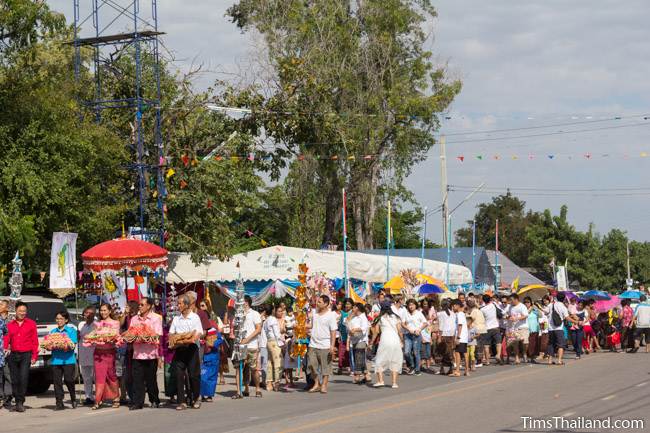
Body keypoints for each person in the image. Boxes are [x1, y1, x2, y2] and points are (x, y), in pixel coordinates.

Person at [169, 294, 204, 410]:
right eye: (177, 303)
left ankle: (196, 398)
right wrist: (178, 338)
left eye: (180, 303)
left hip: (192, 349)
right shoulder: (176, 318)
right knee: (179, 375)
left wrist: (188, 338)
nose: (178, 306)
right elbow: (171, 334)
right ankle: (181, 401)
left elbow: (198, 333)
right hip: (179, 349)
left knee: (194, 375)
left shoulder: (195, 317)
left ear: (187, 305)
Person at [128, 297, 163, 410]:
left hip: (150, 354)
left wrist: (146, 337)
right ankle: (138, 402)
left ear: (149, 306)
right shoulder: (134, 319)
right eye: (139, 304)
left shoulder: (156, 318)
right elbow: (130, 333)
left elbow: (157, 335)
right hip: (137, 354)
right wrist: (131, 337)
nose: (140, 306)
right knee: (137, 379)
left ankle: (154, 400)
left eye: (142, 305)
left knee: (151, 379)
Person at [3, 301, 38, 412]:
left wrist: (34, 356)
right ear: (16, 311)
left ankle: (20, 402)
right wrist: (4, 349)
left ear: (26, 312)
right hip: (13, 355)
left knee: (23, 378)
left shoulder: (31, 324)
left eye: (24, 311)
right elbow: (6, 339)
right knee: (14, 379)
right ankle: (17, 399)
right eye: (20, 311)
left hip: (26, 354)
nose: (22, 313)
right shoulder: (9, 325)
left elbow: (35, 341)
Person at [306, 295, 338, 394]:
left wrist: (332, 346)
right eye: (317, 301)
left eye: (319, 302)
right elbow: (312, 325)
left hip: (325, 345)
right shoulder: (314, 313)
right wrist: (301, 326)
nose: (317, 303)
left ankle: (324, 385)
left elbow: (333, 331)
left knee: (325, 367)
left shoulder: (331, 315)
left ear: (326, 304)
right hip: (313, 344)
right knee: (311, 365)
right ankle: (317, 383)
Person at [92, 303, 121, 410]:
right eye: (101, 310)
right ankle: (97, 400)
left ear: (109, 311)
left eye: (105, 310)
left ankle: (116, 397)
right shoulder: (97, 323)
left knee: (111, 375)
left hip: (109, 353)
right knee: (99, 377)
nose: (103, 312)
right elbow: (93, 336)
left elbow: (115, 336)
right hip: (98, 353)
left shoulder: (115, 323)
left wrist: (108, 337)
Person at [233, 295, 262, 399]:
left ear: (247, 303)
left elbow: (258, 329)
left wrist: (247, 339)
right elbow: (234, 329)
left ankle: (258, 388)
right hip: (240, 346)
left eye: (242, 302)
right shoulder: (238, 314)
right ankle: (239, 390)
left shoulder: (255, 314)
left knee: (253, 369)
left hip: (251, 345)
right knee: (239, 369)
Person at [370, 301, 403, 388]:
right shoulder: (396, 317)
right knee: (395, 361)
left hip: (385, 340)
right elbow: (400, 331)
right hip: (395, 340)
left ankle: (381, 381)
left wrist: (371, 342)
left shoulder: (379, 318)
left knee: (379, 360)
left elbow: (376, 332)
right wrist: (402, 340)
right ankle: (394, 383)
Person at [49, 311, 78, 410]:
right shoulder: (53, 331)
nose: (59, 320)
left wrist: (65, 345)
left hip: (68, 360)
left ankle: (73, 398)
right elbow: (49, 344)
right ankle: (59, 402)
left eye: (61, 319)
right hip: (56, 360)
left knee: (68, 380)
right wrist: (49, 346)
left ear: (66, 320)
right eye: (57, 318)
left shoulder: (71, 331)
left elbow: (73, 345)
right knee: (57, 382)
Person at [545, 293, 578, 365]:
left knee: (551, 344)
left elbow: (545, 312)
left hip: (550, 328)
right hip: (559, 328)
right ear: (564, 299)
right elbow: (567, 318)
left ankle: (550, 360)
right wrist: (575, 321)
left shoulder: (551, 305)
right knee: (561, 344)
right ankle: (559, 360)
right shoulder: (563, 307)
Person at [346, 302, 370, 384]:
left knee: (359, 356)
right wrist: (350, 317)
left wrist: (355, 329)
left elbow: (364, 328)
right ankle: (366, 374)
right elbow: (347, 323)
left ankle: (357, 375)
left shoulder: (363, 317)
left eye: (354, 307)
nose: (352, 308)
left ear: (358, 308)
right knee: (360, 357)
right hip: (354, 339)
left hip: (361, 339)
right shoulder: (354, 317)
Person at [402, 299, 427, 376]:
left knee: (416, 353)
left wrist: (419, 329)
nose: (411, 306)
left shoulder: (419, 313)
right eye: (409, 305)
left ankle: (417, 369)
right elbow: (402, 324)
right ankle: (412, 365)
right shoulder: (405, 313)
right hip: (407, 334)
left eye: (412, 304)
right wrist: (408, 329)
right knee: (406, 352)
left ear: (416, 305)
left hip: (416, 335)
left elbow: (425, 323)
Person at [77, 306, 96, 406]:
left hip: (94, 353)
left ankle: (99, 396)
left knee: (95, 377)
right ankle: (88, 396)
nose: (88, 315)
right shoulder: (81, 324)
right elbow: (78, 337)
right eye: (86, 313)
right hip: (83, 353)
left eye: (90, 313)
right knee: (86, 377)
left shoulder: (97, 324)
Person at [264, 304, 285, 391]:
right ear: (273, 310)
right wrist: (282, 342)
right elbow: (277, 333)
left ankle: (269, 382)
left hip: (268, 342)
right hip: (274, 342)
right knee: (278, 363)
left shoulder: (266, 320)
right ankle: (276, 383)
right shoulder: (273, 319)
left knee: (270, 362)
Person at [200, 328, 224, 401]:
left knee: (212, 378)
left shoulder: (216, 332)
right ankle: (202, 395)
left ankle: (209, 396)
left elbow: (221, 340)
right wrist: (202, 342)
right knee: (202, 377)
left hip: (214, 358)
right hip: (204, 358)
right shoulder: (202, 331)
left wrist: (213, 344)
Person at [506, 294, 529, 364]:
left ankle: (524, 353)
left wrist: (517, 318)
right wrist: (508, 317)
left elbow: (525, 315)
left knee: (525, 342)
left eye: (511, 300)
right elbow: (509, 315)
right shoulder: (510, 307)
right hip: (514, 328)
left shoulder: (522, 306)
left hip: (523, 327)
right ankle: (517, 358)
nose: (510, 301)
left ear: (516, 299)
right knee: (515, 343)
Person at [480, 295, 502, 365]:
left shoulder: (482, 309)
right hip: (495, 326)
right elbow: (500, 311)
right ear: (490, 299)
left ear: (483, 300)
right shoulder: (494, 304)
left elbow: (482, 319)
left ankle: (487, 361)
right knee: (498, 342)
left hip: (487, 328)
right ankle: (498, 355)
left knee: (486, 345)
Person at [437, 299, 456, 375]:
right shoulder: (452, 313)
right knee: (449, 351)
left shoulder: (440, 313)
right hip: (452, 334)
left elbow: (441, 325)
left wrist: (439, 336)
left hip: (444, 334)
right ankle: (449, 368)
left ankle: (444, 368)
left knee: (443, 352)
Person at [451, 299, 469, 377]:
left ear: (457, 306)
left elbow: (460, 325)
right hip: (464, 337)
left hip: (461, 337)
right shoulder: (462, 314)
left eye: (453, 306)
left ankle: (457, 371)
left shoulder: (459, 314)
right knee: (465, 353)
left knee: (457, 353)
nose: (453, 308)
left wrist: (458, 337)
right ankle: (466, 370)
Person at [466, 299, 486, 367]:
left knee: (477, 346)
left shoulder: (474, 311)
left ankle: (479, 361)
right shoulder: (479, 310)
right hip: (483, 329)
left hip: (477, 329)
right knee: (480, 346)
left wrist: (466, 313)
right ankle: (479, 360)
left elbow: (469, 319)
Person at [0, 300, 12, 409]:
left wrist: (9, 347)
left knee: (8, 376)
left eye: (2, 304)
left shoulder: (11, 320)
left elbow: (12, 335)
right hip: (0, 353)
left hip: (7, 353)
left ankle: (8, 398)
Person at [337, 298, 353, 375]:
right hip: (343, 337)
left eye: (349, 304)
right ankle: (340, 367)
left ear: (352, 305)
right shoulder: (342, 313)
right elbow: (340, 325)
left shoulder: (353, 313)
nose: (347, 305)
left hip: (351, 338)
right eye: (346, 304)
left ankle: (350, 367)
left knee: (349, 354)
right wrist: (339, 335)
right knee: (341, 354)